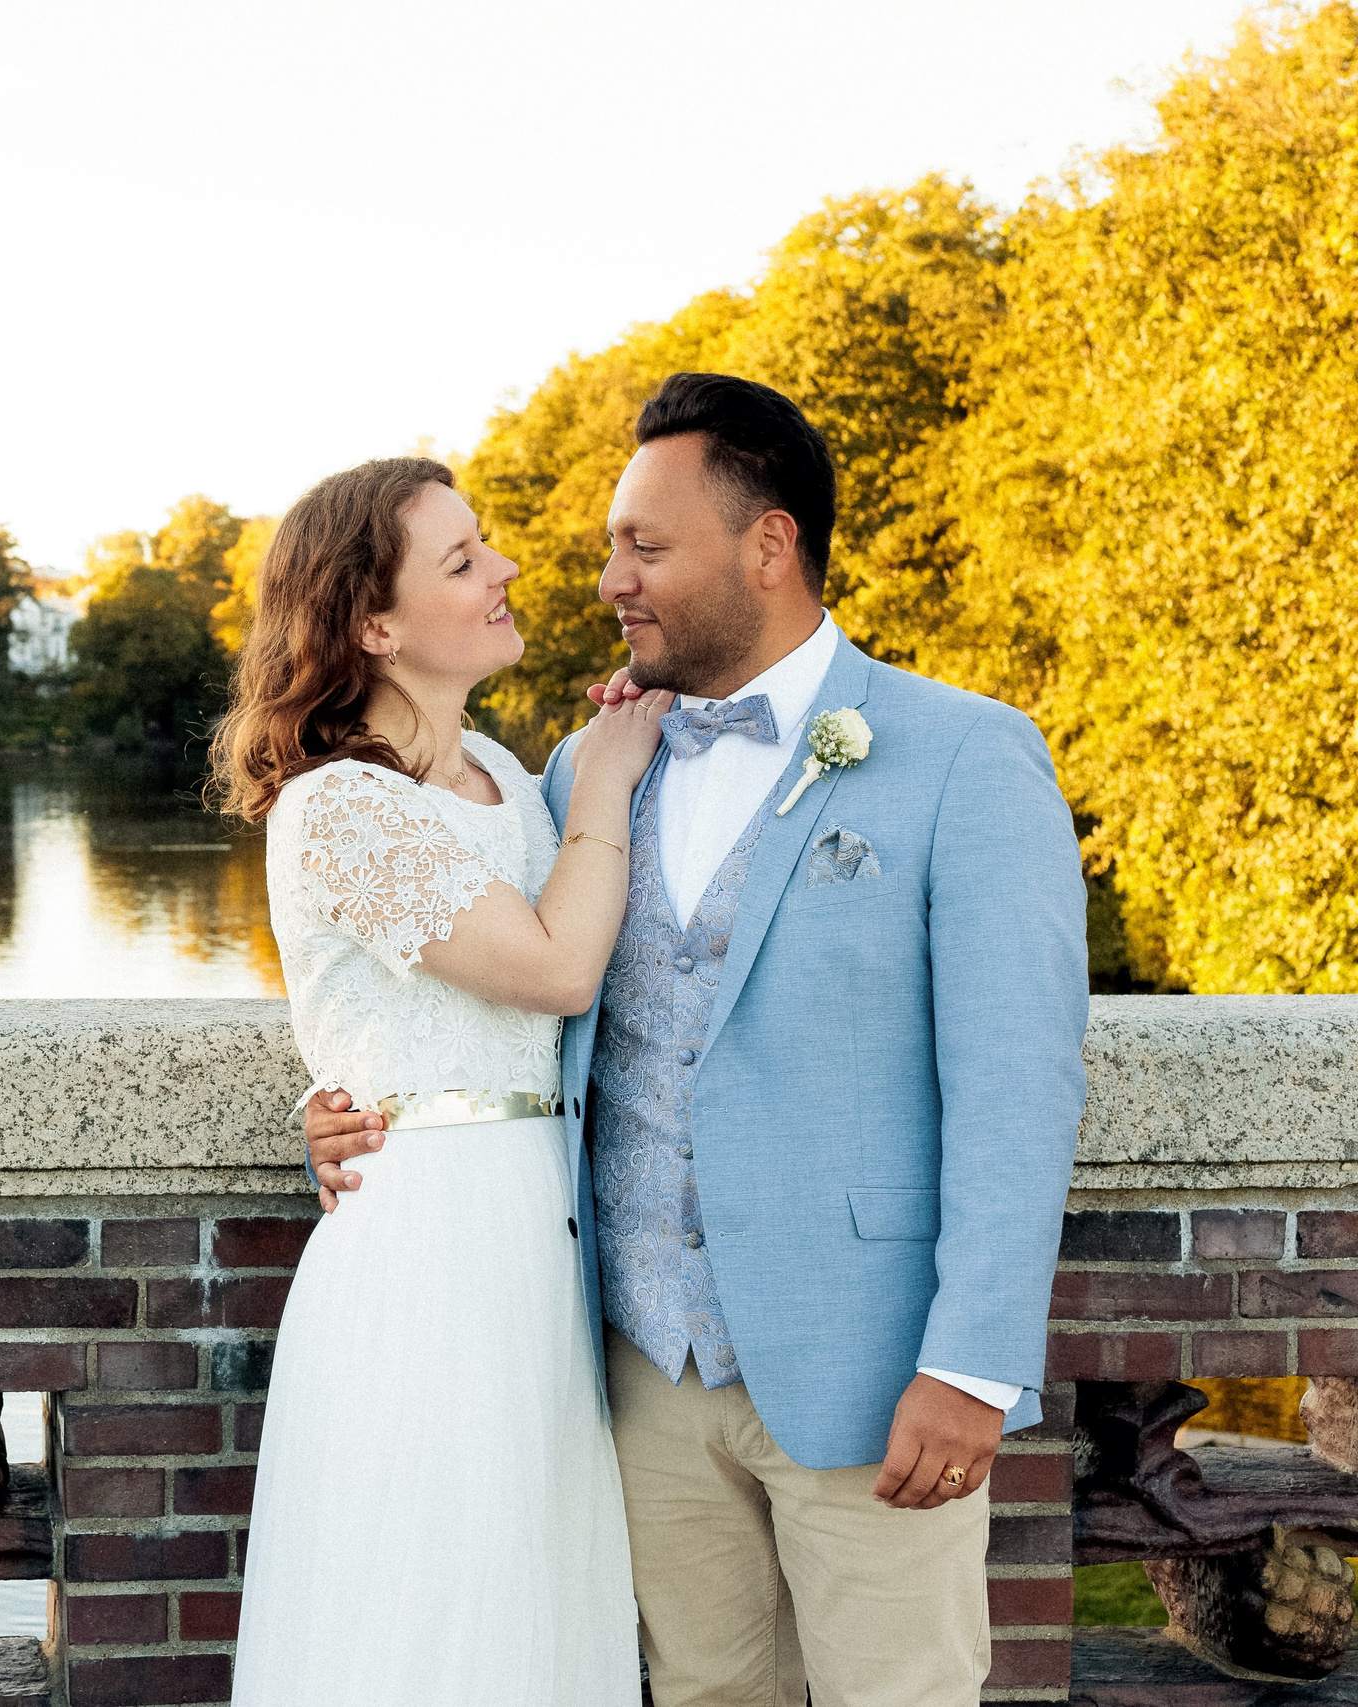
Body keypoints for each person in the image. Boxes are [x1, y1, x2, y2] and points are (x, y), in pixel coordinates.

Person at [302, 375, 1088, 1705]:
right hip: (637, 1377)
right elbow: (476, 997)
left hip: (873, 1376)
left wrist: (972, 1361)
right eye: (615, 544)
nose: (609, 577)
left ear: (768, 545)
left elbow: (1021, 1085)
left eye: (643, 546)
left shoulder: (965, 757)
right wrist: (361, 1104)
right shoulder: (578, 773)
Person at [210, 455, 673, 1703]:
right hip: (424, 1254)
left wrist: (592, 768)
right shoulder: (340, 809)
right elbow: (556, 967)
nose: (505, 569)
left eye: (488, 546)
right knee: (425, 1593)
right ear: (372, 623)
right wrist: (614, 777)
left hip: (538, 1242)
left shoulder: (513, 782)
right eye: (461, 560)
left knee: (529, 1591)